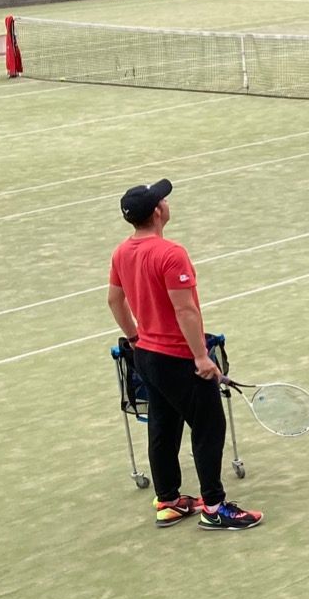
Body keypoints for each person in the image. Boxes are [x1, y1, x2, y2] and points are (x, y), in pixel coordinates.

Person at [106, 179, 262, 531]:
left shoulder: (121, 252)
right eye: (162, 200)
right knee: (209, 426)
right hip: (177, 357)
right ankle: (214, 508)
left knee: (162, 425)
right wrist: (201, 358)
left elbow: (114, 300)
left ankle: (168, 501)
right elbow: (185, 310)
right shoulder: (170, 253)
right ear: (158, 212)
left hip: (145, 355)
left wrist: (134, 337)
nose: (165, 203)